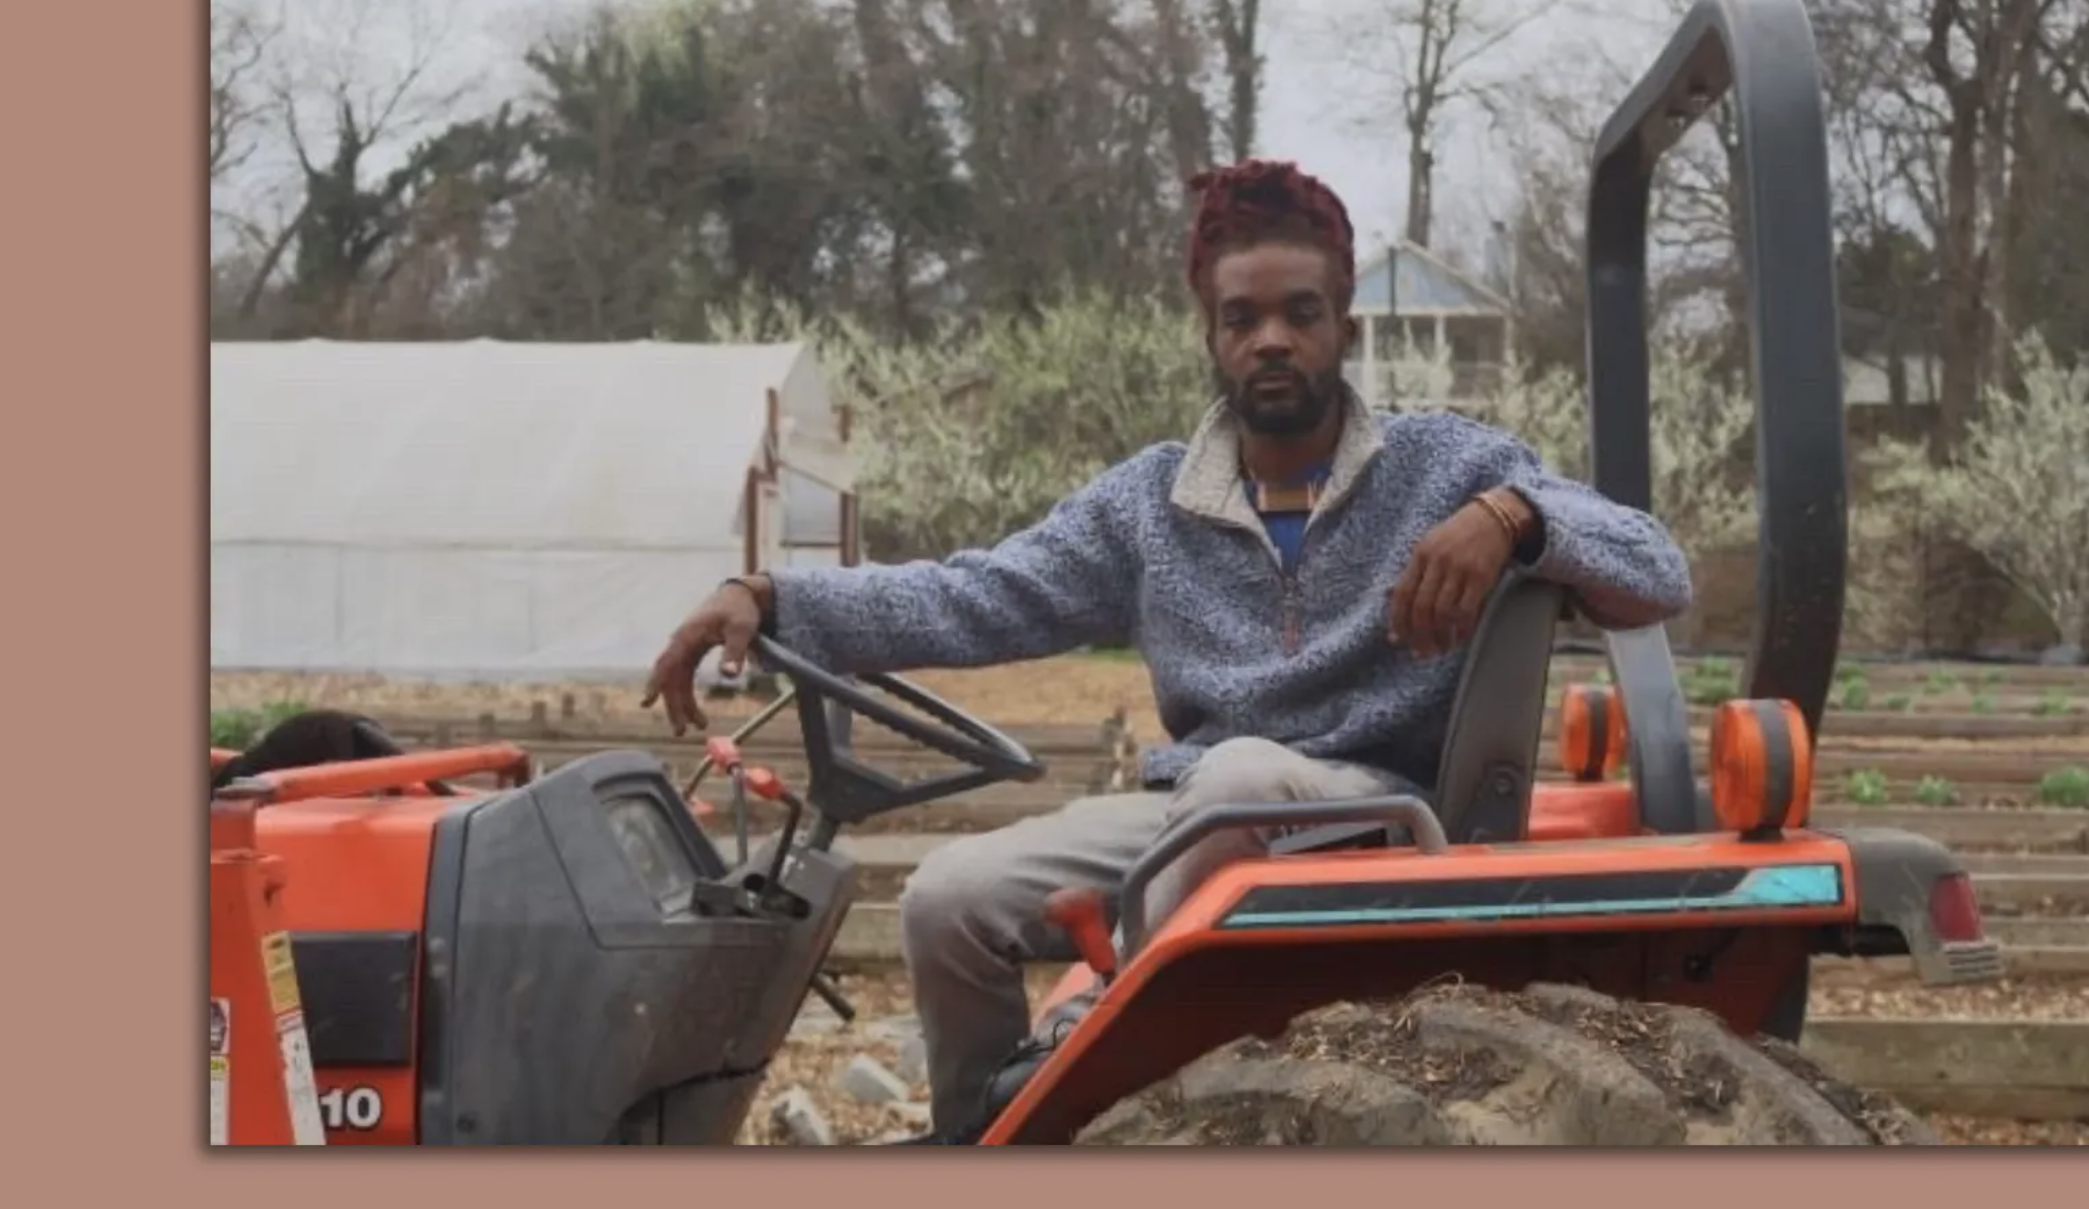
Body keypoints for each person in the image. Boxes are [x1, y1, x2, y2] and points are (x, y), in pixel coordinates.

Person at [642, 158, 1694, 1142]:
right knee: (948, 896)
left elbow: (1655, 562)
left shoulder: (1448, 465)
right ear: (1211, 332)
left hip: (1383, 813)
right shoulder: (1152, 503)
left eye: (1300, 312)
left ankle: (1116, 1068)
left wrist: (1513, 514)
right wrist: (773, 597)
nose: (1271, 338)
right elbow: (976, 592)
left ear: (1344, 325)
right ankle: (993, 1137)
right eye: (1243, 317)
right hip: (1199, 814)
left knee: (1240, 776)